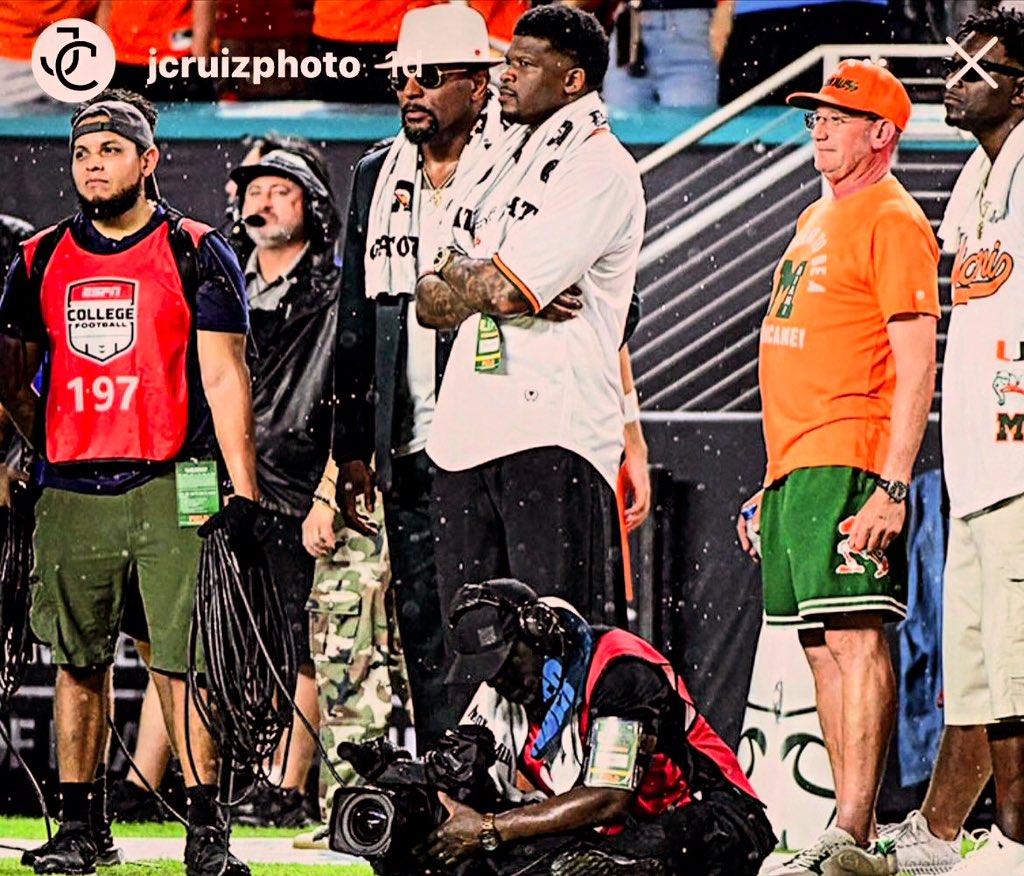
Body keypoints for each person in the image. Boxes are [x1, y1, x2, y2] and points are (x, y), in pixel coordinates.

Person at [0, 90, 256, 876]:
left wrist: (242, 490)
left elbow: (225, 375)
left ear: (149, 160)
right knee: (78, 659)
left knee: (184, 660)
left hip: (178, 477)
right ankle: (83, 829)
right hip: (73, 487)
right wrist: (49, 446)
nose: (93, 166)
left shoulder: (196, 249)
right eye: (82, 153)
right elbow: (10, 378)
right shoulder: (38, 258)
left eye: (110, 151)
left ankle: (206, 833)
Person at [736, 60, 940, 875]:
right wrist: (771, 479)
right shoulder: (817, 215)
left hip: (854, 456)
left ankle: (853, 830)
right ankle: (845, 830)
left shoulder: (893, 218)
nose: (819, 129)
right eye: (814, 116)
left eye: (837, 117)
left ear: (882, 133)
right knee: (821, 644)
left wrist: (892, 485)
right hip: (800, 462)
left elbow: (916, 363)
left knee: (854, 639)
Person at [415, 4, 647, 629]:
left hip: (552, 434)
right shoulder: (494, 158)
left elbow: (505, 292)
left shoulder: (599, 166)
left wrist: (471, 273)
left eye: (524, 64)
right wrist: (480, 276)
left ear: (572, 81)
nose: (506, 75)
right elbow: (428, 300)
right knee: (471, 648)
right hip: (464, 432)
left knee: (555, 644)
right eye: (507, 61)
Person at [315, 1, 506, 753]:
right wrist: (351, 447)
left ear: (479, 85)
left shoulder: (520, 164)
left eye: (429, 75)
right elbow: (357, 313)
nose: (411, 90)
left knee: (499, 625)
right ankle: (444, 782)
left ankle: (512, 790)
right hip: (408, 442)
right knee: (425, 627)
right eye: (402, 76)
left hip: (498, 435)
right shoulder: (375, 173)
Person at [879, 9, 1024, 875]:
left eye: (977, 69)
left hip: (1019, 463)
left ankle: (1011, 844)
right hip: (973, 466)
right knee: (976, 678)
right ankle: (938, 838)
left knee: (1017, 680)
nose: (954, 79)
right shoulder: (975, 176)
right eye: (954, 63)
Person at [424, 577, 775, 875]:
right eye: (487, 672)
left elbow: (609, 798)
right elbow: (461, 777)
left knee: (594, 866)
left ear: (538, 633)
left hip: (713, 817)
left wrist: (490, 828)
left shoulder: (617, 668)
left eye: (506, 663)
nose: (499, 680)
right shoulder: (501, 695)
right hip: (616, 833)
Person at [225, 142, 342, 828]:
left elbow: (340, 393)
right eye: (255, 190)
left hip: (296, 484)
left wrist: (324, 483)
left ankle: (289, 782)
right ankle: (242, 772)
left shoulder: (333, 294)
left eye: (281, 190)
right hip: (223, 476)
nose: (262, 203)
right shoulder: (217, 281)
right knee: (236, 631)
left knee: (302, 636)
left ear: (313, 208)